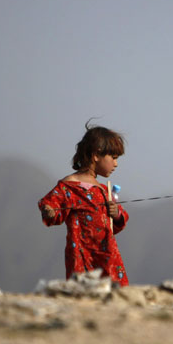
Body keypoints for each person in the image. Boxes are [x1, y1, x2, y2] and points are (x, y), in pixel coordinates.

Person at [38, 120, 130, 286]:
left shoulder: (104, 190)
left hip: (106, 251)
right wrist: (49, 209)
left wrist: (115, 213)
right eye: (114, 158)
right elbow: (50, 205)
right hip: (80, 251)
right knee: (83, 290)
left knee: (113, 292)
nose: (116, 164)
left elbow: (119, 220)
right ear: (96, 155)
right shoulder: (69, 186)